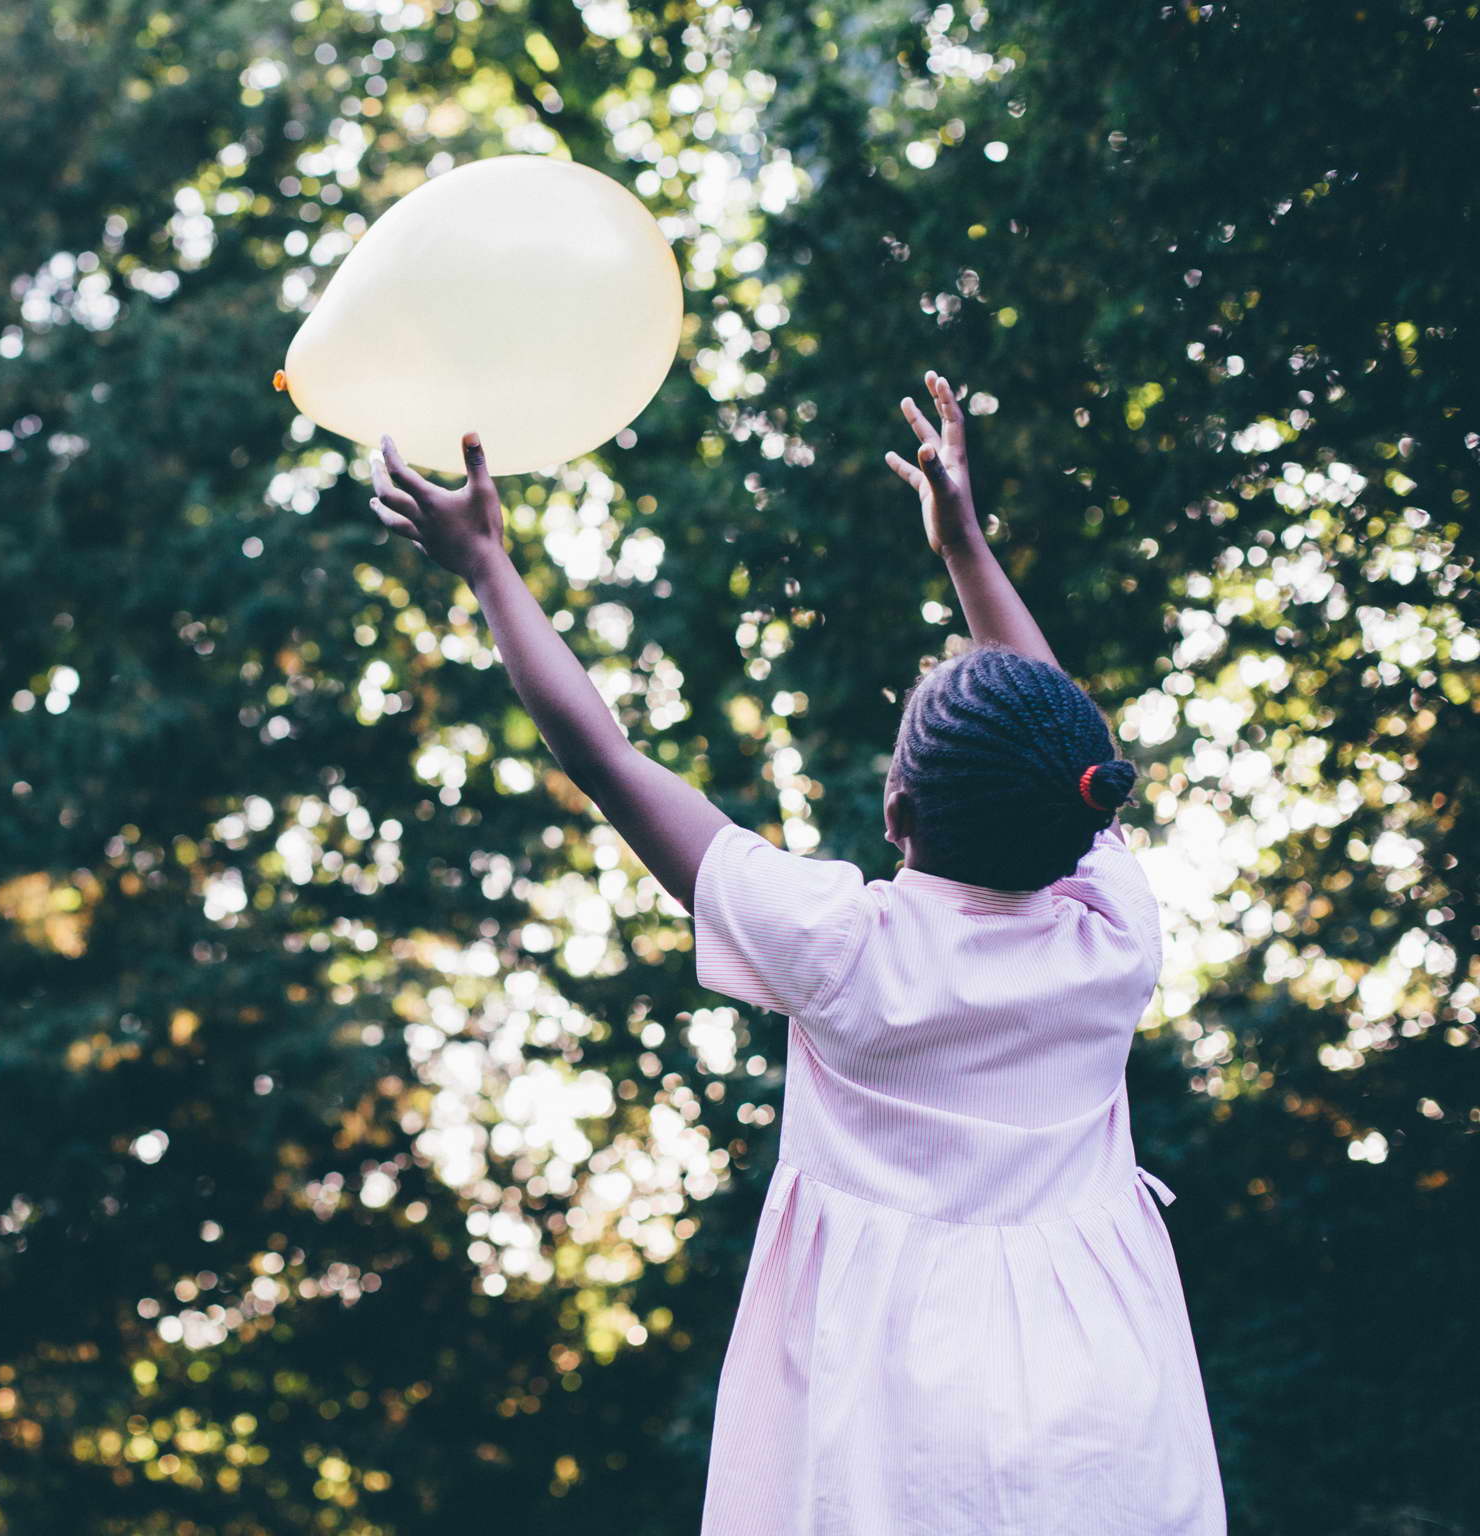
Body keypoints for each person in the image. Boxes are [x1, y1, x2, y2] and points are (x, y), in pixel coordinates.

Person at [368, 372, 1225, 1532]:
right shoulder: (1113, 935)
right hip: (1103, 1395)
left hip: (896, 1410)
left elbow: (608, 760)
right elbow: (1070, 742)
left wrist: (486, 568)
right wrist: (967, 547)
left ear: (896, 815)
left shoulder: (840, 948)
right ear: (1086, 814)